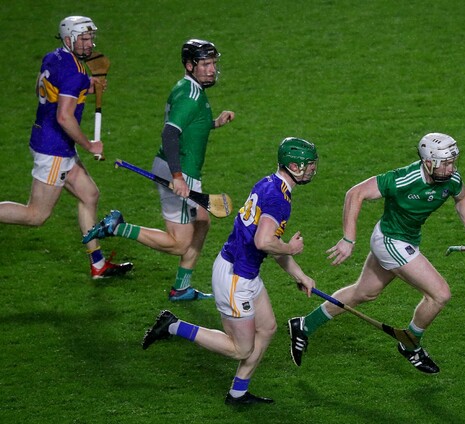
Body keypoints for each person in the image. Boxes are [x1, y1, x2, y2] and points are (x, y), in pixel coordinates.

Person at [141, 137, 318, 405]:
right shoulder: (279, 200)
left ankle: (238, 393)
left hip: (244, 272)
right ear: (294, 166)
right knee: (240, 349)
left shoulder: (269, 183)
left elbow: (271, 243)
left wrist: (300, 275)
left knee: (267, 328)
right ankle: (172, 325)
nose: (313, 169)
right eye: (309, 164)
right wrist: (291, 248)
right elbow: (264, 242)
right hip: (236, 278)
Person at [288, 133, 465, 374]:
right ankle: (410, 345)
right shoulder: (403, 179)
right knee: (440, 294)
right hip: (391, 242)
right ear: (429, 162)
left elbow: (462, 198)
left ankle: (304, 325)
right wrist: (348, 238)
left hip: (406, 239)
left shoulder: (451, 179)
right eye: (446, 163)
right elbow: (355, 193)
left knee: (363, 293)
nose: (452, 168)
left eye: (453, 162)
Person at [82, 39, 235, 300]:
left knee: (202, 222)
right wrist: (177, 177)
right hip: (180, 172)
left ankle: (182, 288)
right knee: (179, 243)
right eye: (205, 64)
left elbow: (189, 125)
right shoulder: (190, 96)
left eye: (213, 64)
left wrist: (214, 123)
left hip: (177, 168)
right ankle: (118, 227)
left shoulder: (186, 87)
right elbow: (169, 134)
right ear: (190, 65)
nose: (212, 70)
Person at [0, 16, 132, 279]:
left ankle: (98, 264)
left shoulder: (55, 57)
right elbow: (64, 117)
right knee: (36, 215)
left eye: (90, 38)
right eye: (83, 38)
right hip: (55, 150)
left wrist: (86, 88)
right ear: (69, 39)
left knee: (89, 195)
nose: (89, 43)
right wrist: (89, 145)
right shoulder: (76, 73)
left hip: (48, 139)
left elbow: (47, 89)